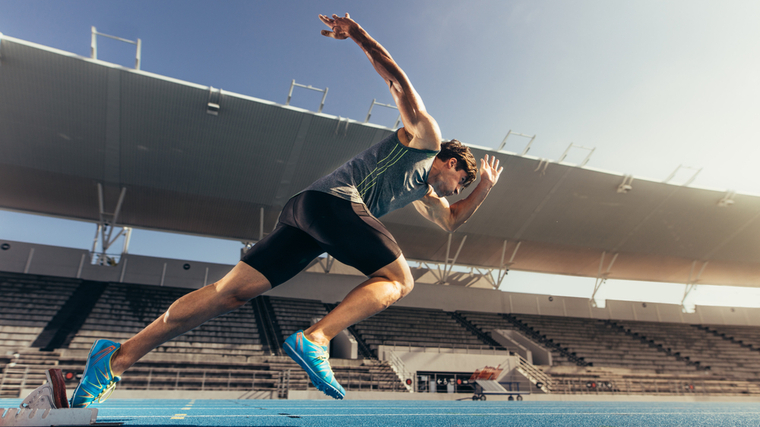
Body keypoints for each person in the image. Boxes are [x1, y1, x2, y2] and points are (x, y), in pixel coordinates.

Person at [70, 12, 502, 405]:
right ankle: (317, 339)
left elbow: (452, 220)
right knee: (398, 280)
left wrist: (483, 187)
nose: (457, 188)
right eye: (462, 179)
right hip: (332, 204)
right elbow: (398, 82)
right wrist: (358, 35)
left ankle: (114, 360)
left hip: (306, 216)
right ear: (451, 161)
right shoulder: (425, 138)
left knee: (228, 293)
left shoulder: (425, 193)